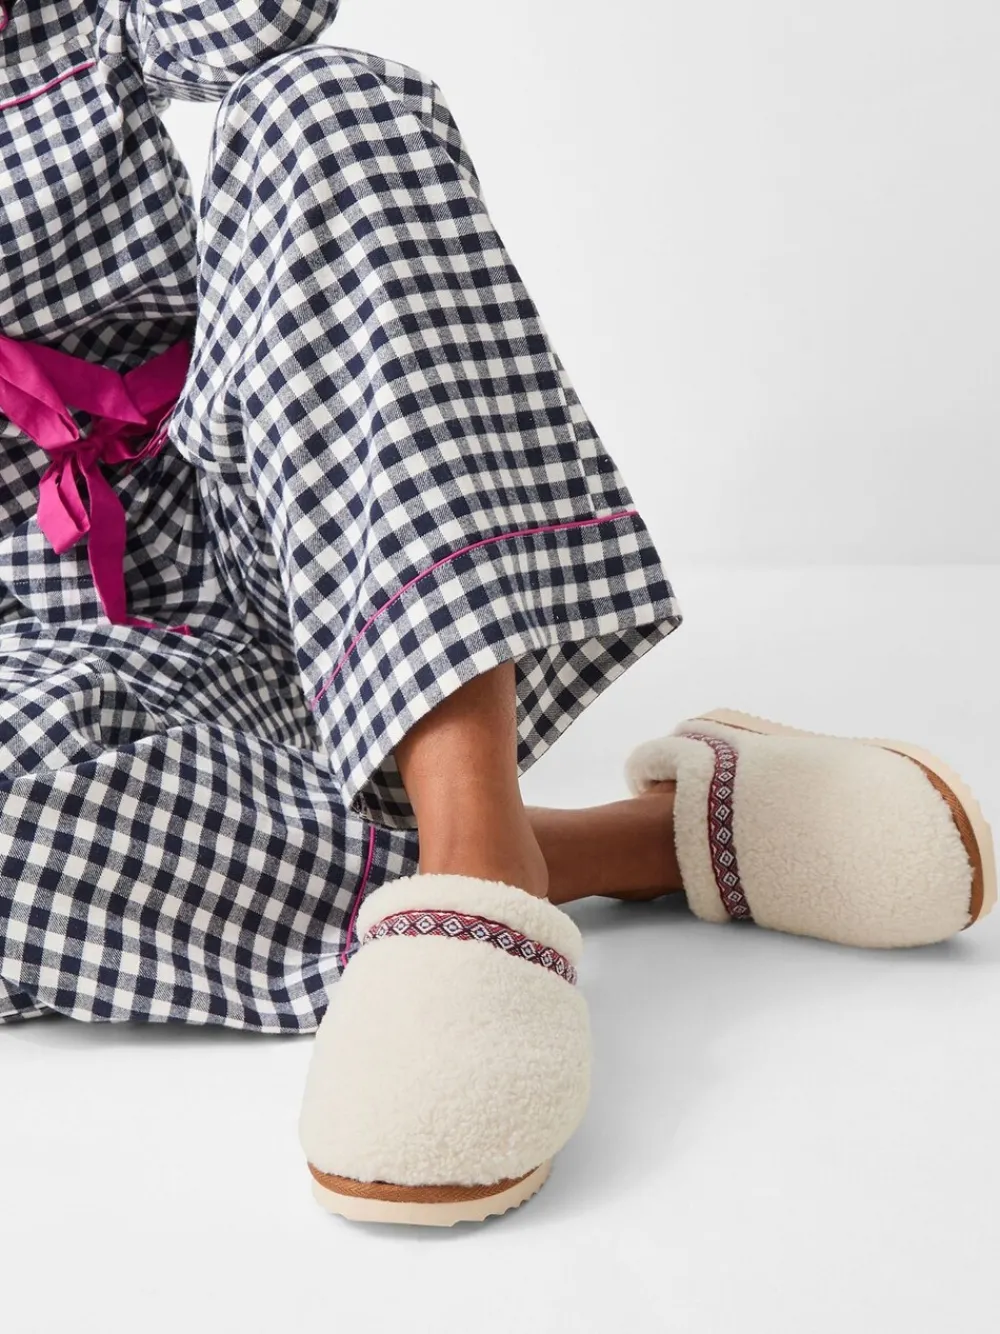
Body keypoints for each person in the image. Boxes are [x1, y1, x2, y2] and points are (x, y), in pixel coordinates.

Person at [1, 3, 992, 1227]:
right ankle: (630, 843)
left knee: (326, 105)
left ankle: (470, 828)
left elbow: (252, 26)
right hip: (46, 654)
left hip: (308, 540)